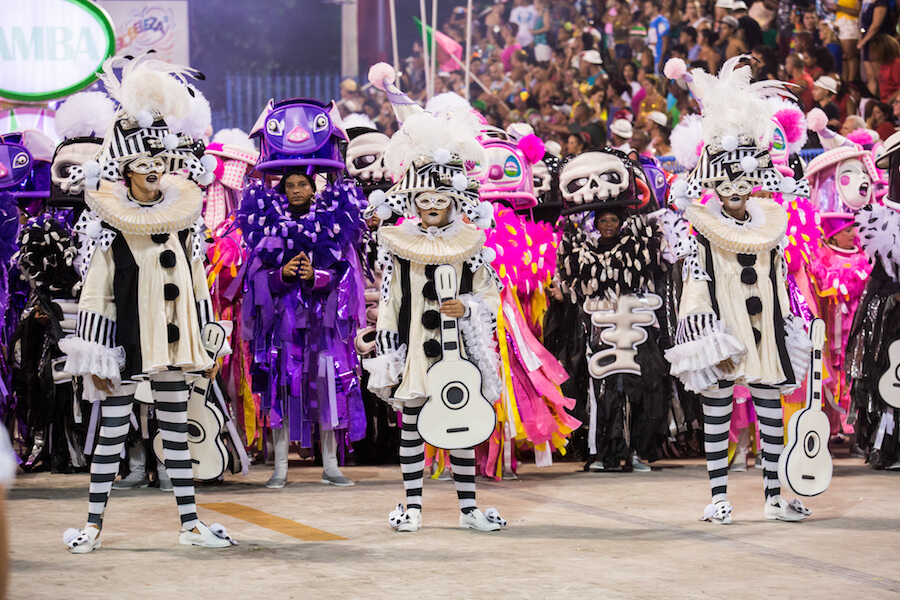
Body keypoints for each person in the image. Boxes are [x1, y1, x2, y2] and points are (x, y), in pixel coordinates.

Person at [60, 54, 234, 552]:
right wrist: (97, 355)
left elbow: (196, 280)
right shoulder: (111, 223)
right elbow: (97, 290)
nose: (154, 169)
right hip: (128, 345)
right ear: (127, 168)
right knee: (112, 435)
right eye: (144, 162)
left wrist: (204, 336)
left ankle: (189, 524)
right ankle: (92, 526)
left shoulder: (184, 217)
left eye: (160, 161)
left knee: (176, 434)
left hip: (175, 346)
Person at [666, 56, 813, 524]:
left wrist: (796, 319)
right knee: (718, 405)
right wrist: (705, 331)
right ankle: (718, 495)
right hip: (723, 324)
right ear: (713, 180)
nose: (735, 186)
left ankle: (773, 496)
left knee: (770, 404)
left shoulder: (771, 222)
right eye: (725, 178)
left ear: (753, 180)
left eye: (743, 178)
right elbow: (696, 279)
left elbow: (781, 276)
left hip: (765, 325)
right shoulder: (703, 225)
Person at [365, 63, 505, 532]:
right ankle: (412, 506)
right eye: (422, 197)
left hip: (456, 350)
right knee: (410, 424)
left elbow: (492, 295)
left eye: (439, 197)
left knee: (460, 423)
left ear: (453, 198)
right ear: (410, 198)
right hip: (411, 353)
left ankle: (468, 509)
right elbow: (390, 300)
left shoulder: (471, 243)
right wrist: (388, 346)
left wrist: (468, 307)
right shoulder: (399, 244)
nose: (430, 204)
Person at [238, 98, 368, 490]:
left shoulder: (334, 224)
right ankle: (280, 467)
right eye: (290, 184)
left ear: (314, 186)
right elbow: (253, 281)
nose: (295, 189)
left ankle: (330, 465)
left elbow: (349, 279)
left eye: (302, 184)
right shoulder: (264, 225)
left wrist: (318, 276)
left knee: (327, 388)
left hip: (323, 327)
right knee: (281, 390)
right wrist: (280, 275)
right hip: (283, 327)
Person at [858, 0, 890, 96]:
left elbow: (876, 25)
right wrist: (861, 39)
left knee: (879, 76)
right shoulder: (866, 3)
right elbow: (862, 24)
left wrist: (863, 41)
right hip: (867, 42)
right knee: (870, 76)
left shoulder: (881, 3)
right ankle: (870, 100)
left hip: (878, 43)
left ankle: (882, 100)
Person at [869, 34, 900, 104]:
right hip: (884, 102)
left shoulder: (896, 64)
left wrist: (890, 101)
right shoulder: (884, 63)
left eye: (874, 50)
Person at [645, 0, 671, 74]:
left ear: (655, 8)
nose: (645, 9)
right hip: (652, 58)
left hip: (659, 58)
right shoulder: (651, 22)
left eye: (648, 7)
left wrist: (661, 59)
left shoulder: (661, 21)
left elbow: (665, 40)